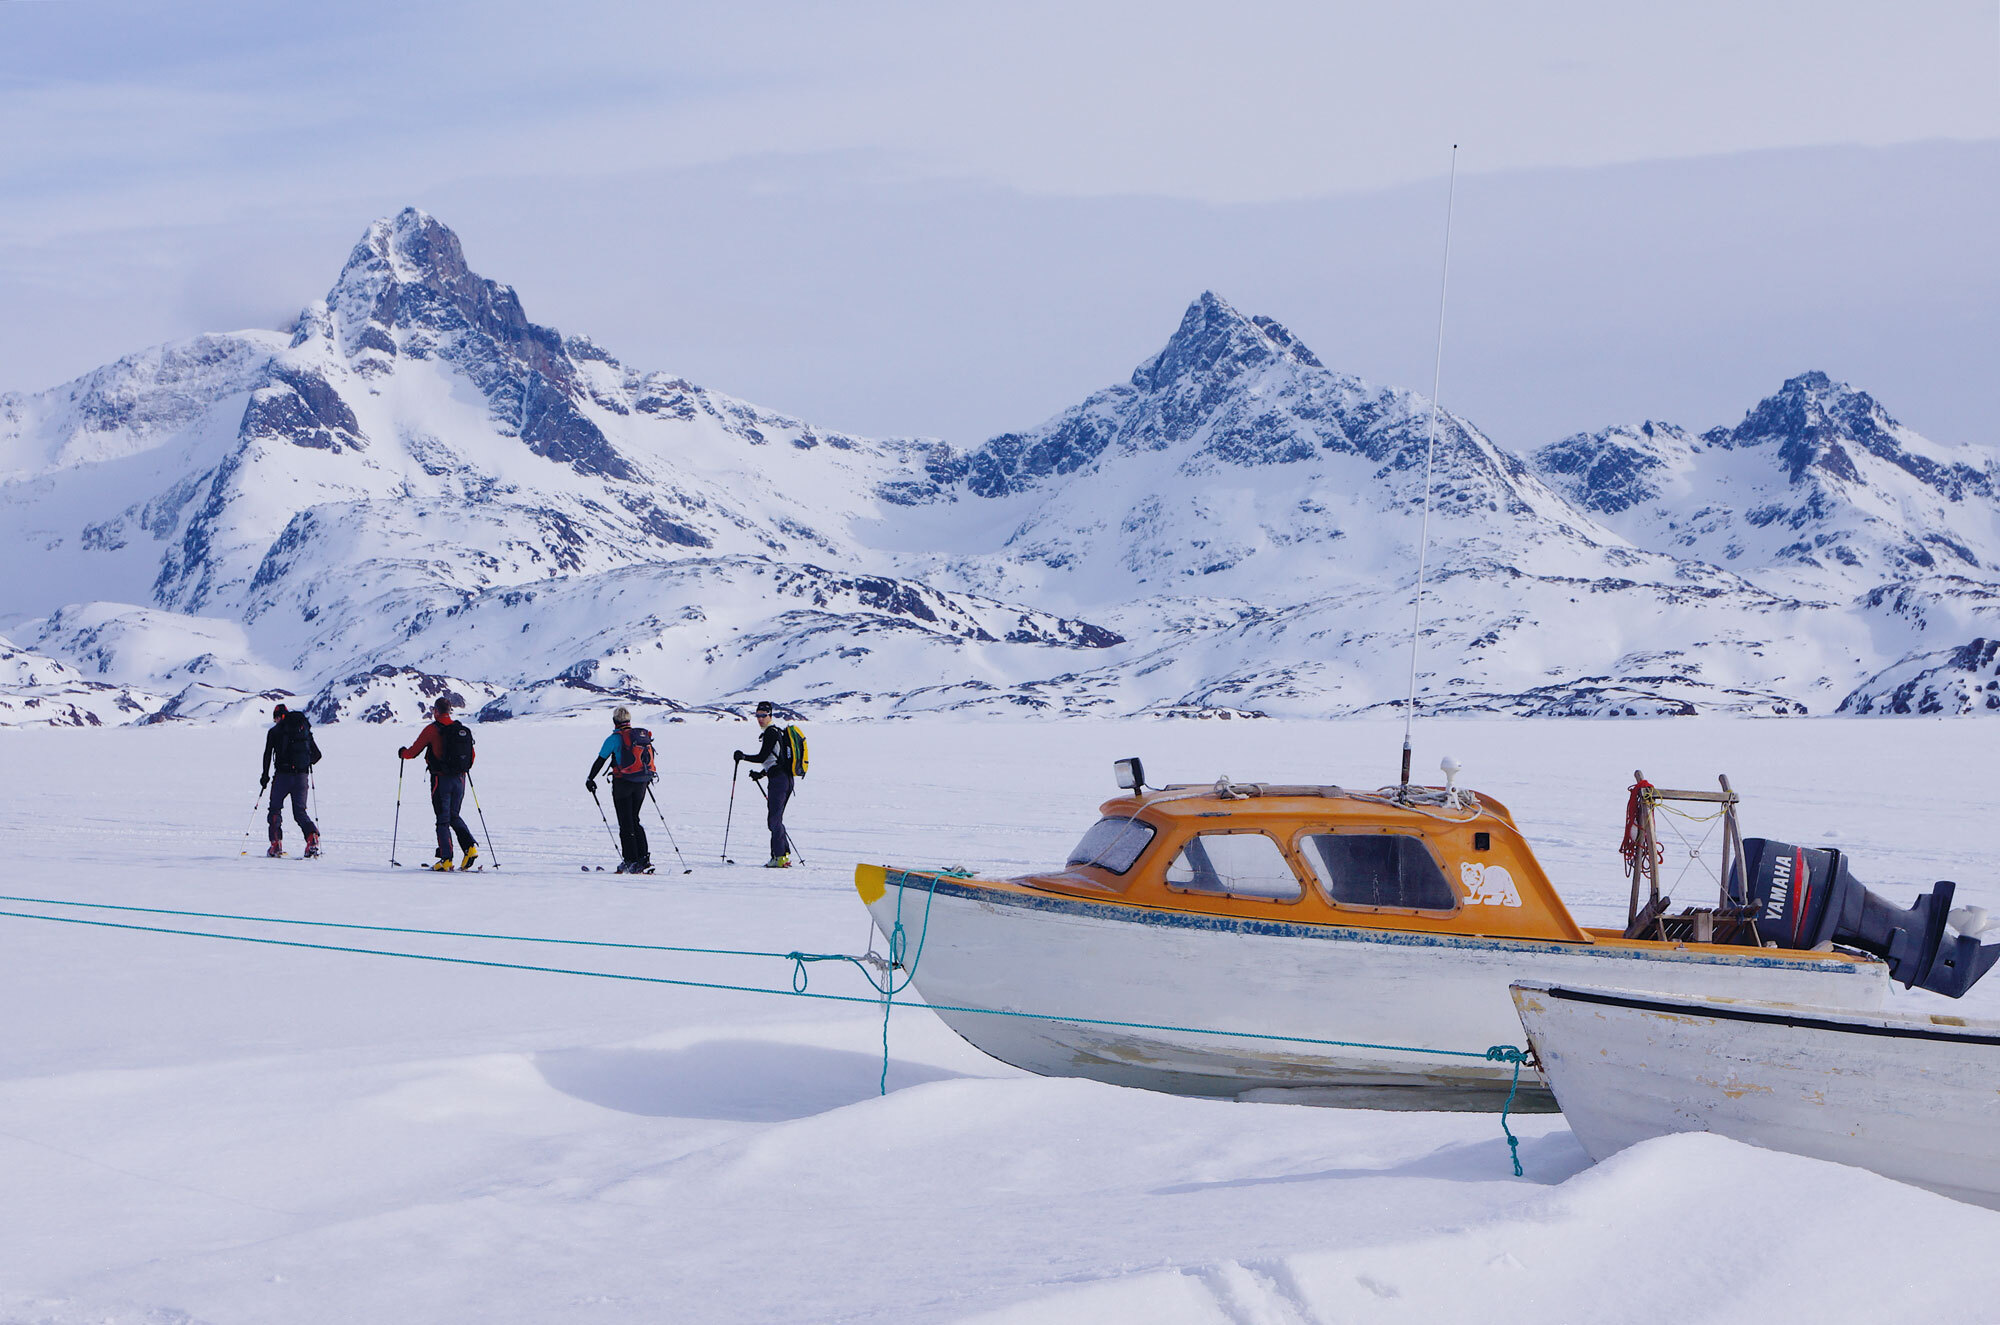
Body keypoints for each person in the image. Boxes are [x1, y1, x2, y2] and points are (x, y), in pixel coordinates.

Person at [398, 697, 478, 871]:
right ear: (449, 710)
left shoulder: (432, 730)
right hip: (460, 779)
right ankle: (469, 847)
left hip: (441, 781)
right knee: (454, 815)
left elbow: (412, 752)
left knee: (442, 819)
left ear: (435, 711)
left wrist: (402, 753)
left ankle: (446, 859)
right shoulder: (460, 729)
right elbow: (471, 756)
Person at [585, 706, 654, 874]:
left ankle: (630, 860)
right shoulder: (640, 737)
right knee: (635, 819)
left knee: (625, 823)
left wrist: (590, 778)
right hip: (641, 782)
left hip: (622, 783)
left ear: (615, 721)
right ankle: (643, 859)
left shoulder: (614, 739)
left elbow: (601, 759)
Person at [734, 700, 795, 868]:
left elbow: (762, 757)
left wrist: (743, 756)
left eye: (763, 716)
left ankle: (780, 857)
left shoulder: (771, 733)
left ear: (770, 716)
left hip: (779, 781)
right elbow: (776, 759)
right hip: (783, 779)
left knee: (774, 820)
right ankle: (784, 854)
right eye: (758, 715)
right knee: (776, 818)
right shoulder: (776, 732)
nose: (760, 719)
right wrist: (761, 774)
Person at [260, 702, 321, 858]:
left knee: (275, 809)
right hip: (302, 777)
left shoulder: (274, 732)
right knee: (300, 812)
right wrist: (304, 763)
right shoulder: (303, 730)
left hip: (282, 776)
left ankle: (275, 845)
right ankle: (312, 839)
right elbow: (317, 755)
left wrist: (264, 776)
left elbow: (267, 755)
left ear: (278, 717)